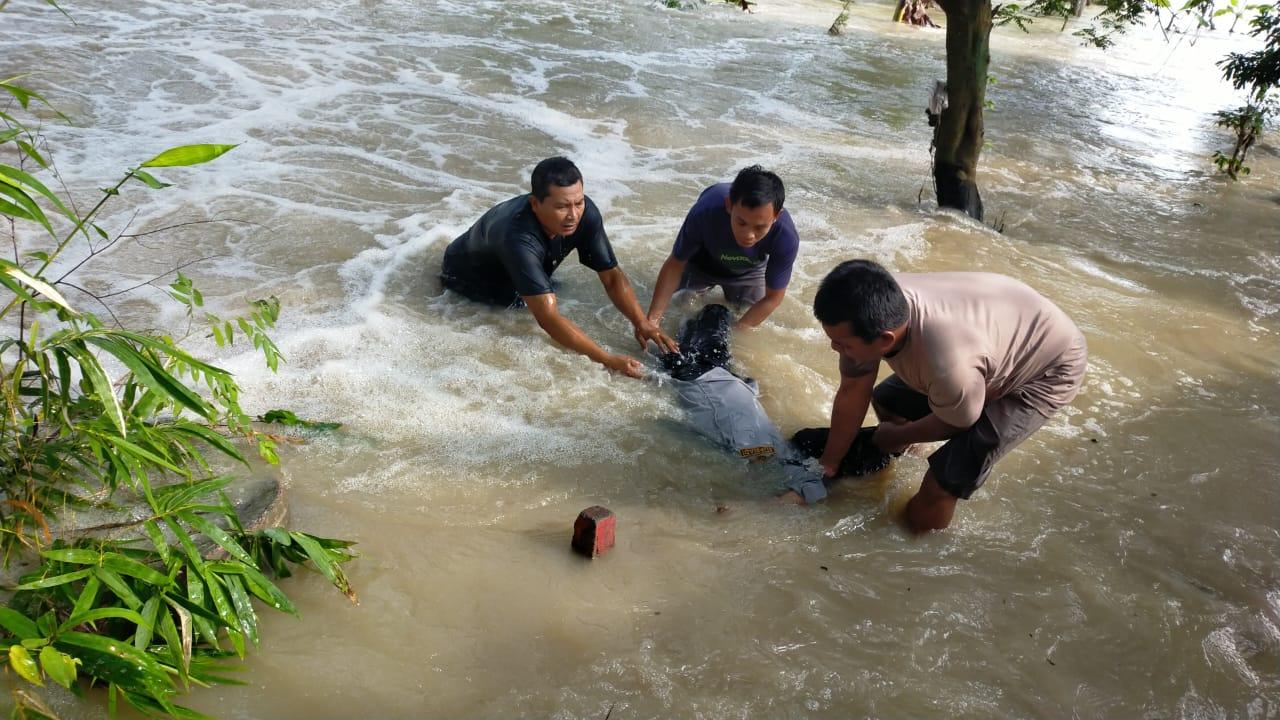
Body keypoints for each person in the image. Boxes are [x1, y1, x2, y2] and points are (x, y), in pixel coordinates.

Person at [785, 260, 1087, 533]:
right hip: (998, 332)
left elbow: (958, 422)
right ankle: (900, 449)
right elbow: (853, 388)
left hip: (1045, 370)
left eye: (843, 345)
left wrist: (895, 435)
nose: (835, 349)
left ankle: (915, 544)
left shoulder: (948, 365)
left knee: (942, 481)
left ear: (885, 340)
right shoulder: (869, 306)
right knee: (887, 400)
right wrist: (829, 463)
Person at [441, 157, 676, 378]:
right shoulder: (516, 236)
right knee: (514, 320)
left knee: (549, 294)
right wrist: (607, 360)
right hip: (470, 282)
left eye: (578, 203)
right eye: (562, 207)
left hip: (519, 268)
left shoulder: (585, 213)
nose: (573, 215)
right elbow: (548, 318)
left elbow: (611, 277)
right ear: (535, 204)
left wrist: (641, 322)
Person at [657, 304, 888, 503]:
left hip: (710, 379)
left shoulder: (785, 454)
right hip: (705, 378)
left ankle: (708, 305)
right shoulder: (784, 457)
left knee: (708, 317)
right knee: (711, 316)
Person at [644, 166, 799, 332]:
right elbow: (675, 264)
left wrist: (737, 331)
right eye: (741, 222)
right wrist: (652, 321)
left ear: (776, 216)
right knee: (682, 305)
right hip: (701, 264)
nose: (749, 235)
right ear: (729, 205)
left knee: (746, 313)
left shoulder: (785, 236)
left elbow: (773, 297)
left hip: (748, 272)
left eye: (760, 227)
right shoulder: (705, 212)